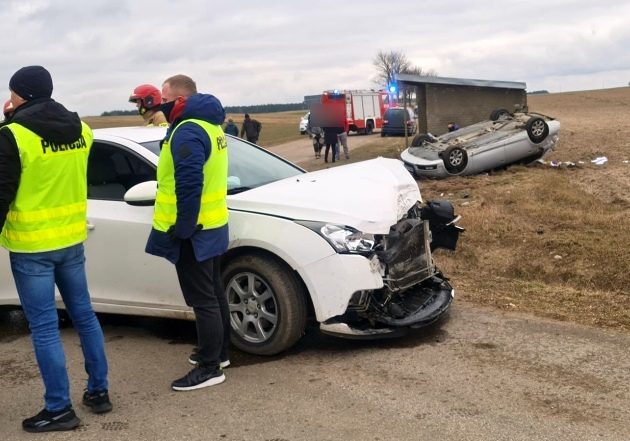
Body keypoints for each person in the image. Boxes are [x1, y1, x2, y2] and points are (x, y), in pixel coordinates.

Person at [0, 65, 111, 433]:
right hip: (72, 241)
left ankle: (59, 408)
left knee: (45, 327)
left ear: (23, 95)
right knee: (84, 315)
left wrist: (10, 122)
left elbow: (2, 192)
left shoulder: (13, 135)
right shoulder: (83, 130)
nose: (9, 99)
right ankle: (98, 392)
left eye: (12, 92)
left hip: (32, 247)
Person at [146, 74, 231, 391]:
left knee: (202, 299)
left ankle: (210, 367)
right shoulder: (211, 125)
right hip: (213, 225)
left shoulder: (187, 130)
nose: (161, 103)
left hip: (193, 231)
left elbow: (190, 181)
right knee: (214, 292)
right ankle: (219, 354)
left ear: (179, 99)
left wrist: (182, 227)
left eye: (164, 97)